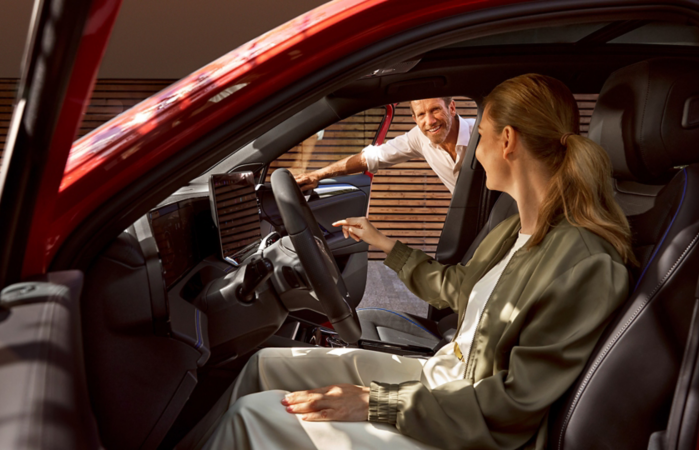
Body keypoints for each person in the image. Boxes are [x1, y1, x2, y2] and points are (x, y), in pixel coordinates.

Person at [183, 74, 635, 449]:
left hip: (466, 424)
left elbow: (510, 407)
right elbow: (459, 288)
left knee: (253, 415)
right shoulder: (513, 230)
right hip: (446, 377)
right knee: (267, 365)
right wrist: (386, 243)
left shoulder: (585, 264)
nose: (474, 150)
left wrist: (375, 403)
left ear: (508, 141)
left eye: (481, 138)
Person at [295, 97, 476, 193]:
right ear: (414, 119)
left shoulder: (481, 132)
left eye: (435, 110)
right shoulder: (419, 137)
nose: (429, 121)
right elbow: (371, 157)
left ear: (451, 108)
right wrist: (317, 174)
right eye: (421, 115)